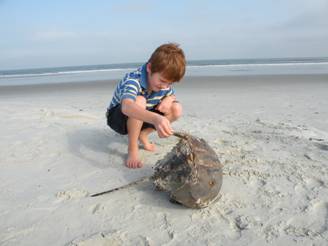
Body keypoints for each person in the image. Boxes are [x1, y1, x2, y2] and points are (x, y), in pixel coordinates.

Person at [106, 43, 186, 169]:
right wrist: (156, 118)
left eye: (170, 83)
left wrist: (170, 99)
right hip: (118, 119)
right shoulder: (133, 79)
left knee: (176, 109)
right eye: (163, 81)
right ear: (149, 68)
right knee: (140, 100)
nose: (165, 87)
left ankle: (143, 135)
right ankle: (133, 149)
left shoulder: (164, 85)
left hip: (143, 117)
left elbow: (170, 94)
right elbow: (126, 106)